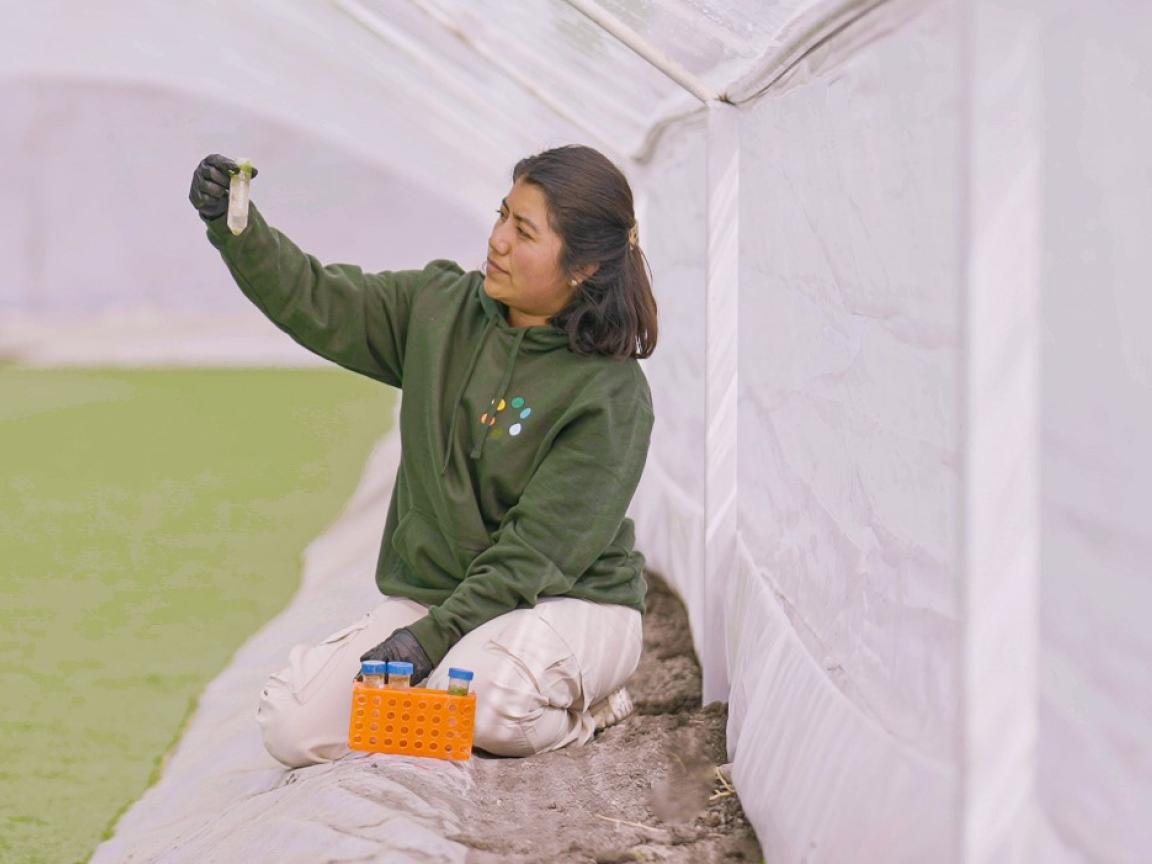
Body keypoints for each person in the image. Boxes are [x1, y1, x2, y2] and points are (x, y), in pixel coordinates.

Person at [188, 145, 658, 768]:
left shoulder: (610, 395)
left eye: (523, 232)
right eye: (501, 216)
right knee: (294, 727)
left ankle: (588, 710)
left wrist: (427, 640)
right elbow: (320, 299)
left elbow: (532, 559)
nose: (496, 241)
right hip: (442, 601)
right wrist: (237, 227)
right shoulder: (439, 309)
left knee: (484, 699)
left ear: (583, 266)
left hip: (565, 604)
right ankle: (447, 714)